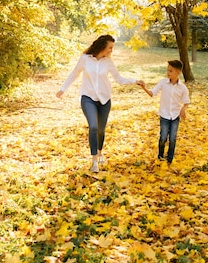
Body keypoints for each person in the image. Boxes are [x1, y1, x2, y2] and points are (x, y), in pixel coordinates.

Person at [56, 35, 144, 173]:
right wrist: (62, 89)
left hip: (104, 100)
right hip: (88, 98)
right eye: (110, 47)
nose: (111, 51)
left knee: (101, 130)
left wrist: (135, 81)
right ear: (102, 46)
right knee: (93, 126)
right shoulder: (85, 59)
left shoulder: (108, 62)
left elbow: (118, 78)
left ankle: (100, 151)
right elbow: (74, 74)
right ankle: (94, 160)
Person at [139, 60, 190, 164]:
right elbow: (152, 93)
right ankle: (160, 156)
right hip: (164, 115)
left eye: (171, 71)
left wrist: (183, 109)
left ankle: (169, 159)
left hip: (175, 116)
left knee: (172, 138)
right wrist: (144, 88)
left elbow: (186, 101)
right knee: (163, 137)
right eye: (167, 70)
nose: (168, 73)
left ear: (178, 72)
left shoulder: (182, 88)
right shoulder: (163, 82)